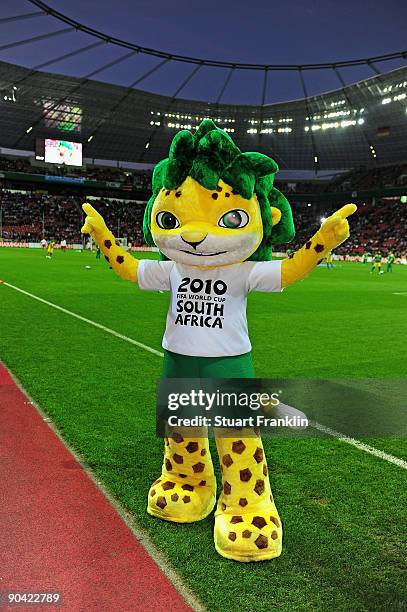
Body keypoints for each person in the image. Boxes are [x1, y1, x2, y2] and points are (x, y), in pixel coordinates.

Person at [81, 119, 356, 563]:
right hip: (178, 360)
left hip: (228, 364)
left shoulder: (242, 271)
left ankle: (247, 504)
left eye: (227, 219)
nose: (193, 234)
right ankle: (188, 482)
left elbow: (288, 271)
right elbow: (131, 269)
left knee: (238, 435)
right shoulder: (173, 269)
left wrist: (323, 241)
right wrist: (102, 236)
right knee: (181, 431)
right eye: (173, 219)